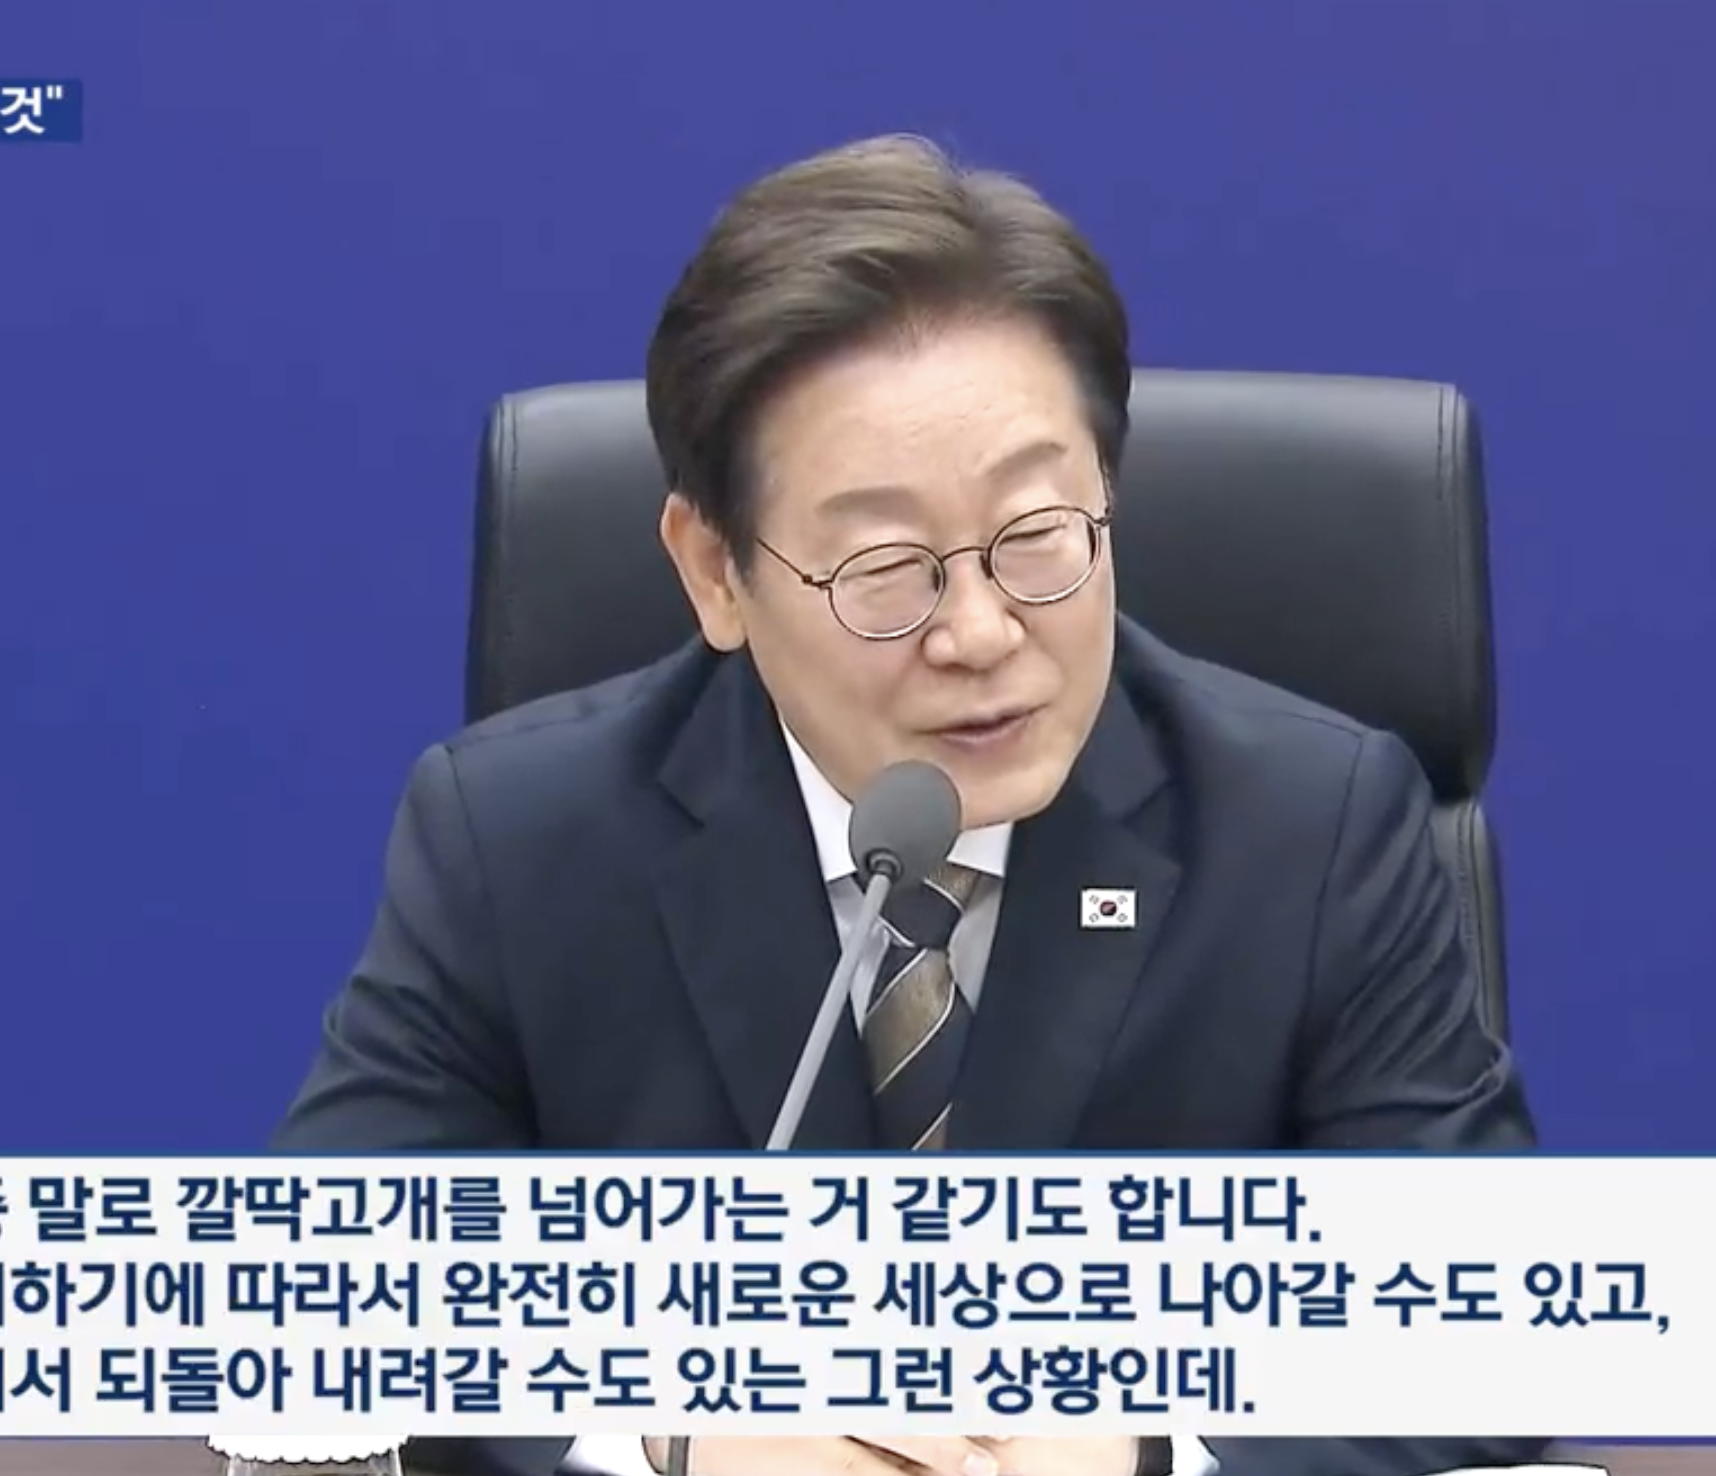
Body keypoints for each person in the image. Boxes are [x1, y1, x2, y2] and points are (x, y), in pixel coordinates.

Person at [274, 135, 1547, 1476]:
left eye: (1038, 537)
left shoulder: (1311, 826)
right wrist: (667, 1425)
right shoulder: (517, 834)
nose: (981, 633)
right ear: (713, 571)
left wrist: (1143, 1444)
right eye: (886, 569)